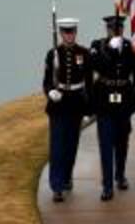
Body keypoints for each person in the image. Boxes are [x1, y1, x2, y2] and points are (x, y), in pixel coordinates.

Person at [90, 14, 135, 202]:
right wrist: (111, 51)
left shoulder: (129, 47)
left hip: (124, 100)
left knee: (122, 142)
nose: (116, 32)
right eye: (112, 29)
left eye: (119, 29)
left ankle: (120, 175)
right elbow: (95, 66)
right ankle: (107, 185)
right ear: (107, 30)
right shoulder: (97, 46)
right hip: (104, 101)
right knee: (105, 144)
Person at [44, 17, 91, 203]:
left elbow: (88, 83)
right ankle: (56, 186)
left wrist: (89, 109)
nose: (69, 35)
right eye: (66, 32)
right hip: (58, 104)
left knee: (71, 145)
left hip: (77, 103)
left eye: (72, 32)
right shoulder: (53, 54)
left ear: (75, 33)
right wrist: (51, 92)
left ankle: (66, 177)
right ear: (62, 34)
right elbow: (47, 80)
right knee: (57, 146)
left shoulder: (84, 53)